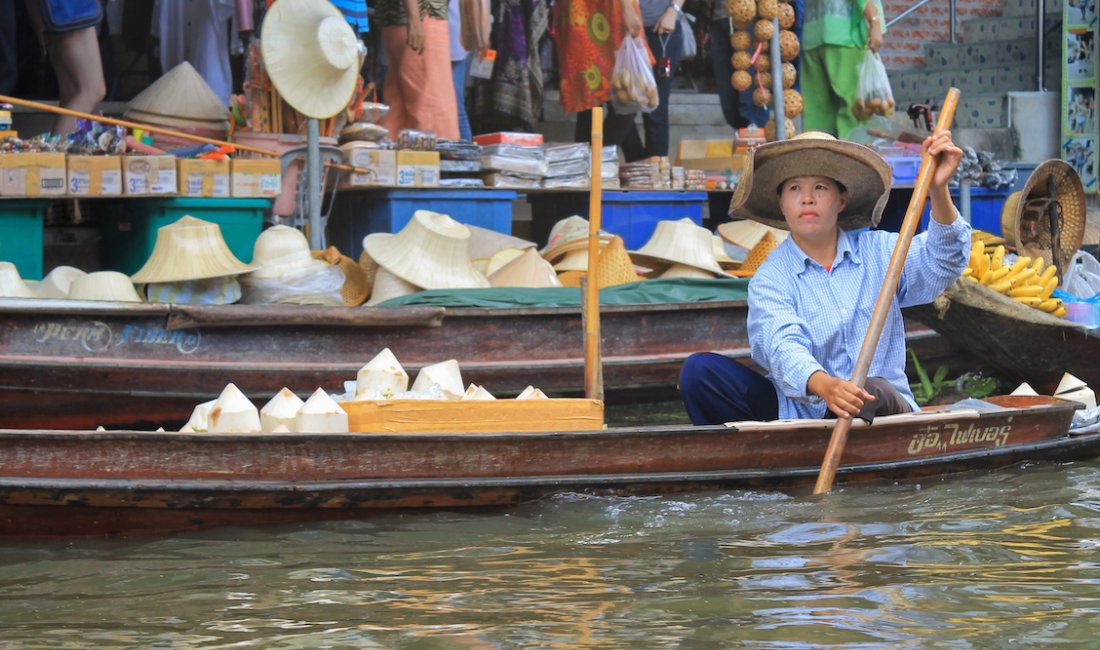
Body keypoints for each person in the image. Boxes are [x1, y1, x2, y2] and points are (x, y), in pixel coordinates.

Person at [678, 130, 969, 425]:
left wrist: (937, 189)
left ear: (840, 200)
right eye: (794, 188)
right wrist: (825, 386)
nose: (807, 199)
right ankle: (756, 461)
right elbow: (779, 344)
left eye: (820, 187)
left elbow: (944, 261)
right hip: (802, 417)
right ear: (781, 203)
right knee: (700, 372)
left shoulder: (881, 252)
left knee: (868, 390)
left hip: (878, 409)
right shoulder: (772, 275)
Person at [800, 0, 884, 138]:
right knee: (855, 112)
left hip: (812, 34)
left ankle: (817, 157)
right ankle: (853, 158)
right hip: (846, 34)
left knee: (818, 115)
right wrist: (874, 20)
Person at [377, 0, 460, 138]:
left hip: (402, 18)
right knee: (433, 109)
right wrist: (414, 19)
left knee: (398, 112)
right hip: (424, 15)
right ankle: (437, 157)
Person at [24, 0, 106, 136]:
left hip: (57, 12)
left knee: (72, 94)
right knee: (92, 91)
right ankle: (53, 155)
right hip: (73, 11)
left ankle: (54, 152)